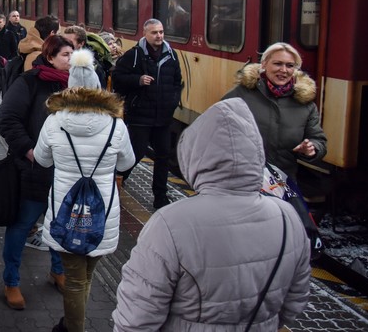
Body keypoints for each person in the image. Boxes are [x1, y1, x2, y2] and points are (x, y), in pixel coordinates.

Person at [112, 98, 312, 331]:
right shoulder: (288, 217)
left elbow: (137, 318)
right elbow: (294, 304)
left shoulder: (169, 223)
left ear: (195, 155)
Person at [34, 49, 135, 332]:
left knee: (76, 280)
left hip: (65, 210)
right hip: (102, 212)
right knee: (86, 276)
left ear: (69, 86)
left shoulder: (55, 121)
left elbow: (42, 160)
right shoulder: (116, 124)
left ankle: (72, 327)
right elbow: (127, 162)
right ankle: (70, 323)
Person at [0, 36, 73, 310]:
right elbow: (7, 119)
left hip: (66, 172)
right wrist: (30, 151)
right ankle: (11, 281)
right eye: (66, 54)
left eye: (72, 54)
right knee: (21, 224)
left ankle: (58, 271)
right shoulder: (29, 82)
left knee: (59, 224)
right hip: (32, 170)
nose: (71, 59)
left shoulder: (77, 85)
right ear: (50, 57)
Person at [221, 42, 327, 179]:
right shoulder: (241, 94)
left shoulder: (305, 105)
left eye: (290, 66)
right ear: (264, 65)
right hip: (241, 180)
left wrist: (312, 148)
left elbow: (318, 140)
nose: (283, 70)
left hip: (282, 183)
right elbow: (214, 126)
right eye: (278, 64)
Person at [111, 18, 183, 209]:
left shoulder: (171, 55)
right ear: (145, 34)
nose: (159, 36)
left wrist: (173, 101)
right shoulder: (134, 55)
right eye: (154, 32)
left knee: (163, 156)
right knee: (135, 153)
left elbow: (178, 81)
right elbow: (117, 78)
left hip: (163, 117)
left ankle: (160, 197)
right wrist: (138, 80)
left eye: (161, 32)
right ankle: (116, 181)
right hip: (140, 116)